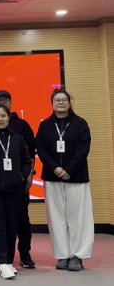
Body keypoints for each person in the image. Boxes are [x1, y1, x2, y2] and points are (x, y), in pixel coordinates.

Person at [35, 89, 93, 272]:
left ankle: (77, 256)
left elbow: (83, 149)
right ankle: (63, 255)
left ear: (69, 102)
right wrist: (55, 168)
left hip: (76, 177)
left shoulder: (80, 124)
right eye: (57, 100)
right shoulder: (45, 125)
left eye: (64, 100)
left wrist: (69, 170)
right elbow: (41, 149)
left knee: (78, 217)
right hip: (52, 177)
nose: (60, 103)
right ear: (52, 103)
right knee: (56, 217)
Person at [0, 90, 36, 269]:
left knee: (13, 225)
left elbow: (27, 159)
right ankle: (1, 259)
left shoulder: (18, 138)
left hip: (14, 189)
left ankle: (9, 259)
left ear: (9, 117)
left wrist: (22, 176)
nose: (0, 119)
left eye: (3, 116)